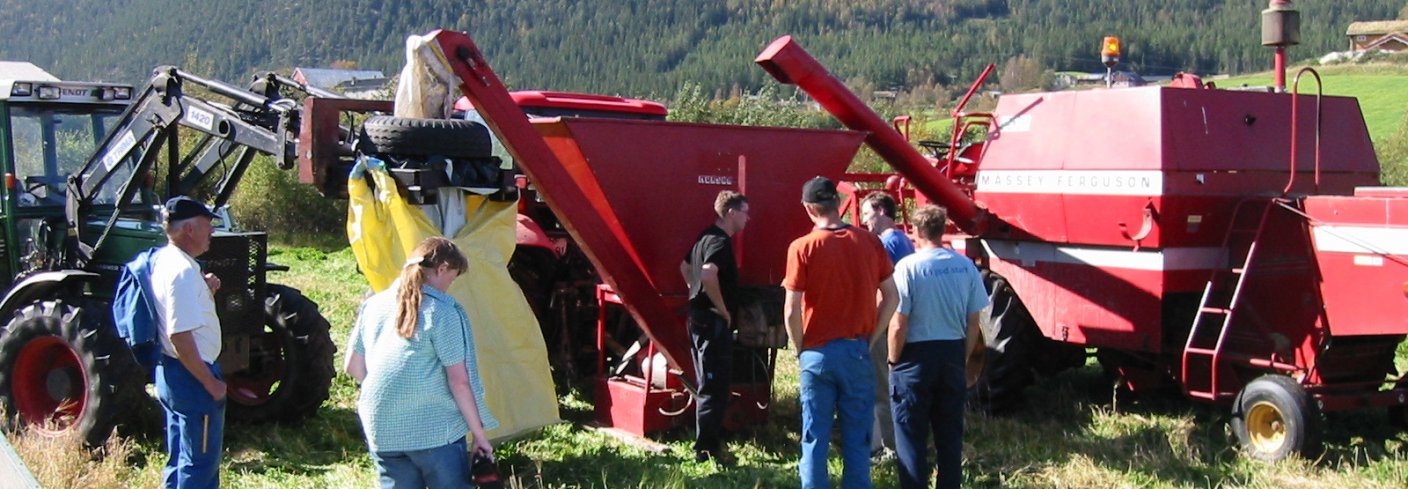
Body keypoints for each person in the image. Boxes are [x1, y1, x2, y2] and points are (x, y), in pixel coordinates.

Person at [345, 237, 498, 489]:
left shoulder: (373, 305)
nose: (450, 285)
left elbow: (353, 366)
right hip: (434, 429)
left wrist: (395, 393)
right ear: (442, 269)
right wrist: (479, 436)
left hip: (381, 427)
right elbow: (459, 382)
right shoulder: (442, 312)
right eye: (452, 277)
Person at [783, 176, 899, 489]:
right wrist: (872, 336)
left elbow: (792, 309)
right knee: (858, 437)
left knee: (815, 436)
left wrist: (800, 349)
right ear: (837, 204)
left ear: (809, 208)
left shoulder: (802, 247)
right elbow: (893, 296)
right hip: (856, 350)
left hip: (817, 354)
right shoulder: (869, 242)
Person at [887, 205, 988, 489]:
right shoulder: (965, 266)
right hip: (952, 353)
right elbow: (973, 323)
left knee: (910, 438)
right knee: (949, 438)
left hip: (914, 358)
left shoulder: (908, 267)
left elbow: (899, 323)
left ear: (917, 232)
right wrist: (963, 357)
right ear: (942, 231)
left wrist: (893, 361)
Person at [151, 196, 226, 489]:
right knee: (200, 465)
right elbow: (179, 334)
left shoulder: (164, 260)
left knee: (179, 457)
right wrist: (210, 382)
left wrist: (203, 289)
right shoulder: (182, 272)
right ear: (190, 229)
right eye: (208, 225)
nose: (212, 232)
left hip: (171, 371)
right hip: (193, 376)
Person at [679, 190, 750, 464]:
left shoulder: (705, 236)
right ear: (731, 213)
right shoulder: (719, 242)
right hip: (712, 322)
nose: (748, 218)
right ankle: (706, 451)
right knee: (714, 387)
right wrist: (722, 308)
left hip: (698, 318)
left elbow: (685, 267)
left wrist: (693, 290)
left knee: (707, 383)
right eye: (745, 211)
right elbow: (708, 273)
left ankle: (708, 444)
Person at [859, 191, 914, 459]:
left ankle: (889, 446)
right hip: (900, 317)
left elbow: (880, 286)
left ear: (881, 211)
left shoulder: (886, 243)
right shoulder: (902, 239)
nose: (865, 222)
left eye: (867, 214)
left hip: (886, 320)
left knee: (881, 385)